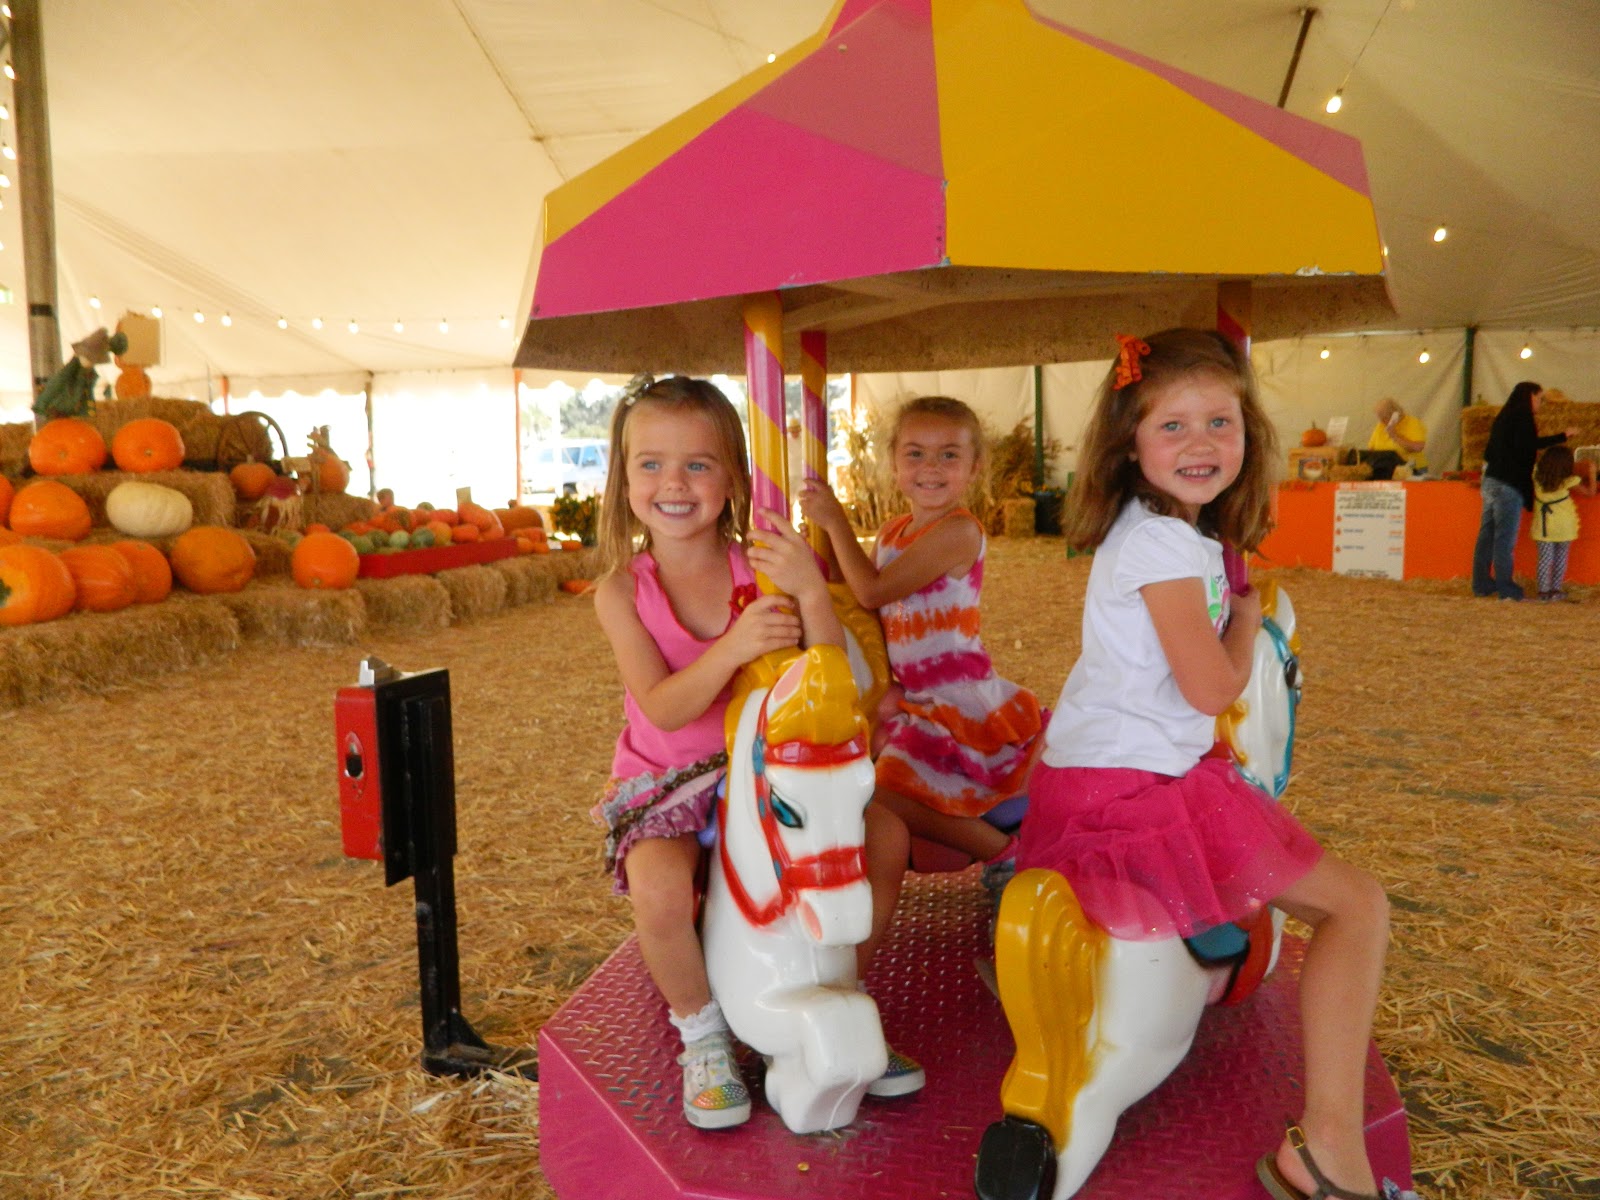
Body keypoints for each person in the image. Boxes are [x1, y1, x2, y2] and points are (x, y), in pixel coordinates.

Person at [1019, 329, 1394, 1200]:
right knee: (1358, 907)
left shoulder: (1164, 532)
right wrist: (1247, 615)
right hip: (1137, 789)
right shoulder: (1159, 546)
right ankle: (1332, 1148)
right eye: (1173, 426)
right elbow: (1210, 687)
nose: (1199, 444)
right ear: (1131, 443)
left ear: (1248, 435)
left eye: (1219, 423)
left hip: (1108, 773)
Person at [589, 374, 919, 1130]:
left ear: (734, 477)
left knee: (886, 839)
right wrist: (734, 646)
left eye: (698, 464)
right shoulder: (621, 591)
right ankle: (700, 1030)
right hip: (667, 780)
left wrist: (810, 594)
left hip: (765, 769)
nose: (673, 483)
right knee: (662, 892)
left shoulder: (762, 565)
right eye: (650, 464)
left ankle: (840, 995)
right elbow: (664, 705)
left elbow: (831, 677)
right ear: (624, 478)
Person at [801, 395, 1044, 890]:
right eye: (915, 453)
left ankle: (1004, 855)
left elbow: (873, 588)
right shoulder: (893, 532)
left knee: (885, 796)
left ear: (975, 467)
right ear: (893, 465)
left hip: (955, 698)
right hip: (914, 696)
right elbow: (868, 608)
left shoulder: (958, 532)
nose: (930, 467)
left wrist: (834, 520)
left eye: (949, 454)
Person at [1472, 382, 1576, 600]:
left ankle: (1481, 583)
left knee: (1486, 536)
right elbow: (1530, 445)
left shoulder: (1503, 417)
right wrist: (1562, 436)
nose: (1541, 404)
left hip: (1490, 480)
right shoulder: (1523, 418)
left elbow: (1489, 452)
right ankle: (1506, 589)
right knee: (1504, 540)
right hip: (1509, 485)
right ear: (1530, 396)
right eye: (1539, 399)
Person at [1530, 443, 1597, 602]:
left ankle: (1543, 592)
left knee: (1544, 560)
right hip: (1565, 525)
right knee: (1561, 558)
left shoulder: (1536, 476)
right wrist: (1592, 473)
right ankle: (1556, 589)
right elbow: (1590, 493)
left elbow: (1536, 459)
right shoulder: (1569, 481)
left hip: (1544, 525)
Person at [1366, 398, 1428, 475]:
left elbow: (1418, 447)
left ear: (1394, 414)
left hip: (1413, 469)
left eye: (1385, 418)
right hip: (1388, 470)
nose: (1381, 421)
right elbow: (1371, 449)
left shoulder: (1412, 423)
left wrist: (1395, 436)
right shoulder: (1381, 426)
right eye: (1380, 418)